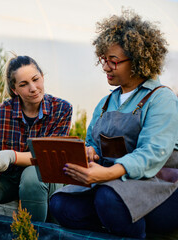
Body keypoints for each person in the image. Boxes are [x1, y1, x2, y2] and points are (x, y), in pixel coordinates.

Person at [49, 10, 178, 239]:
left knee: (107, 199)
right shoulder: (106, 103)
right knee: (60, 203)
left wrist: (107, 174)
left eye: (114, 61)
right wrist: (90, 153)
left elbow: (152, 153)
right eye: (103, 60)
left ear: (138, 61)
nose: (106, 67)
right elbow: (93, 144)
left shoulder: (161, 98)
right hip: (112, 184)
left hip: (159, 188)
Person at [0, 55, 73, 222]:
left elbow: (50, 157)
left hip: (45, 177)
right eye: (24, 84)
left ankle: (32, 233)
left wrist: (12, 156)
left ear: (42, 76)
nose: (33, 88)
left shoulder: (61, 109)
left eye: (36, 79)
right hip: (8, 178)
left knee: (32, 177)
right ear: (14, 90)